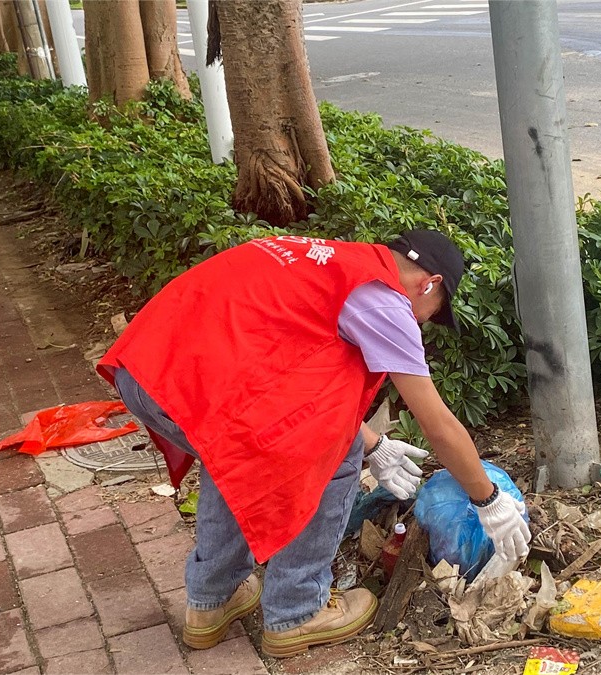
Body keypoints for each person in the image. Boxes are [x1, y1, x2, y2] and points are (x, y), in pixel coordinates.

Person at [96, 229, 531, 658]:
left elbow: (288, 375)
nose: (423, 322)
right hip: (186, 385)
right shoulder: (384, 300)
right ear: (429, 284)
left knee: (234, 450)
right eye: (433, 314)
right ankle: (298, 610)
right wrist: (488, 499)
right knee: (336, 454)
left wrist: (375, 443)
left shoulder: (332, 262)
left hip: (145, 370)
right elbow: (437, 424)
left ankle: (212, 601)